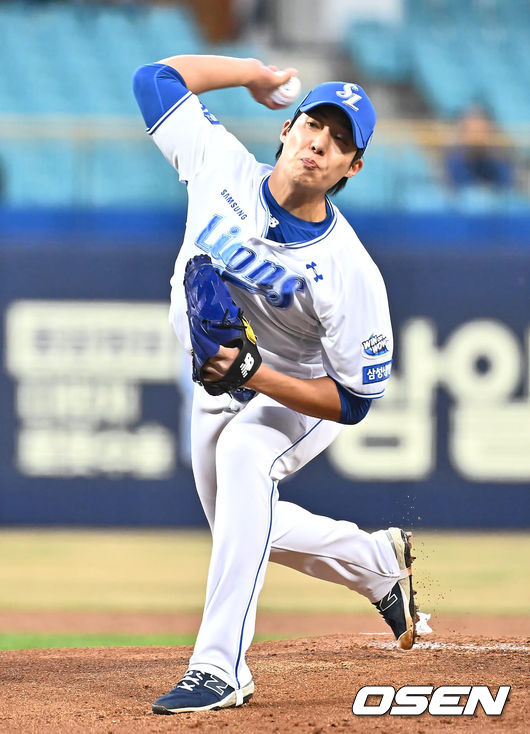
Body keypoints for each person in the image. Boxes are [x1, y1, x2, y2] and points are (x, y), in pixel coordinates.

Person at [133, 54, 417, 715]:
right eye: (314, 124)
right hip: (217, 379)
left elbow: (353, 400)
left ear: (353, 167)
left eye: (341, 141)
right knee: (238, 521)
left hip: (298, 389)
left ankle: (220, 667)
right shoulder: (220, 164)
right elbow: (154, 80)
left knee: (244, 457)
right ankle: (373, 561)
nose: (321, 142)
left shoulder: (349, 272)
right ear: (288, 129)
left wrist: (258, 374)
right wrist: (252, 72)